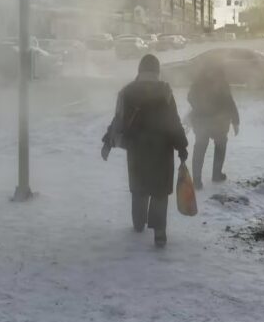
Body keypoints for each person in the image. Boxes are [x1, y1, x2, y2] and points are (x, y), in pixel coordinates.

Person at [102, 54, 188, 248]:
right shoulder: (165, 92)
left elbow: (118, 120)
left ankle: (139, 223)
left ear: (139, 70)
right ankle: (159, 233)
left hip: (137, 150)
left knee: (139, 187)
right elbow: (173, 122)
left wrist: (108, 142)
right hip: (161, 150)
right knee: (159, 191)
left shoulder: (127, 92)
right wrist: (181, 146)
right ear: (157, 71)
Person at [187, 62, 240, 189]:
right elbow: (229, 102)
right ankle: (216, 174)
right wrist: (235, 121)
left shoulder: (198, 83)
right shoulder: (221, 82)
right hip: (219, 122)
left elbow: (190, 97)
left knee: (200, 147)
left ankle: (197, 180)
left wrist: (199, 108)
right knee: (220, 145)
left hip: (202, 121)